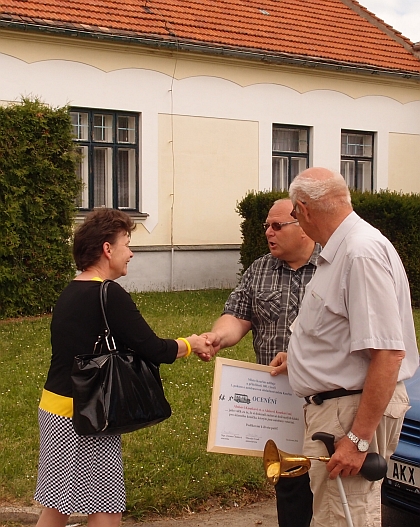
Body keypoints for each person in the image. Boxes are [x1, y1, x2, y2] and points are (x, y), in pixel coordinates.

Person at [34, 208, 213, 527]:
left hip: (55, 409)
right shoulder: (108, 293)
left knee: (56, 507)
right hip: (89, 415)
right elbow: (153, 349)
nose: (130, 253)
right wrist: (192, 343)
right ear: (107, 248)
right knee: (106, 504)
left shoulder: (71, 290)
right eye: (126, 243)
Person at [270, 168, 419, 527]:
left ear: (303, 209)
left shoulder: (359, 253)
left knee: (345, 518)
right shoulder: (342, 250)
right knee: (332, 515)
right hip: (339, 409)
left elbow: (388, 353)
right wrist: (304, 359)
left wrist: (357, 438)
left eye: (292, 214)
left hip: (348, 414)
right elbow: (348, 334)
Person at [203, 198, 320, 527]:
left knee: (327, 485)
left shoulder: (334, 266)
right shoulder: (260, 268)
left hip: (324, 397)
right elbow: (237, 317)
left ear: (302, 228)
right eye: (266, 226)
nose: (268, 232)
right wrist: (216, 338)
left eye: (277, 226)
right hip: (278, 400)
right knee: (290, 484)